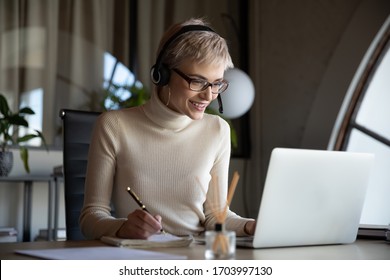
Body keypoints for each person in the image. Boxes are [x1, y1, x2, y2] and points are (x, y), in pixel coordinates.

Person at [79, 18, 256, 240]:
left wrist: (251, 226)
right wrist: (123, 228)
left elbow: (216, 217)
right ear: (162, 74)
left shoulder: (217, 130)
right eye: (197, 81)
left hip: (197, 258)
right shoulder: (114, 126)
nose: (209, 95)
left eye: (216, 84)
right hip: (140, 260)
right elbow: (91, 217)